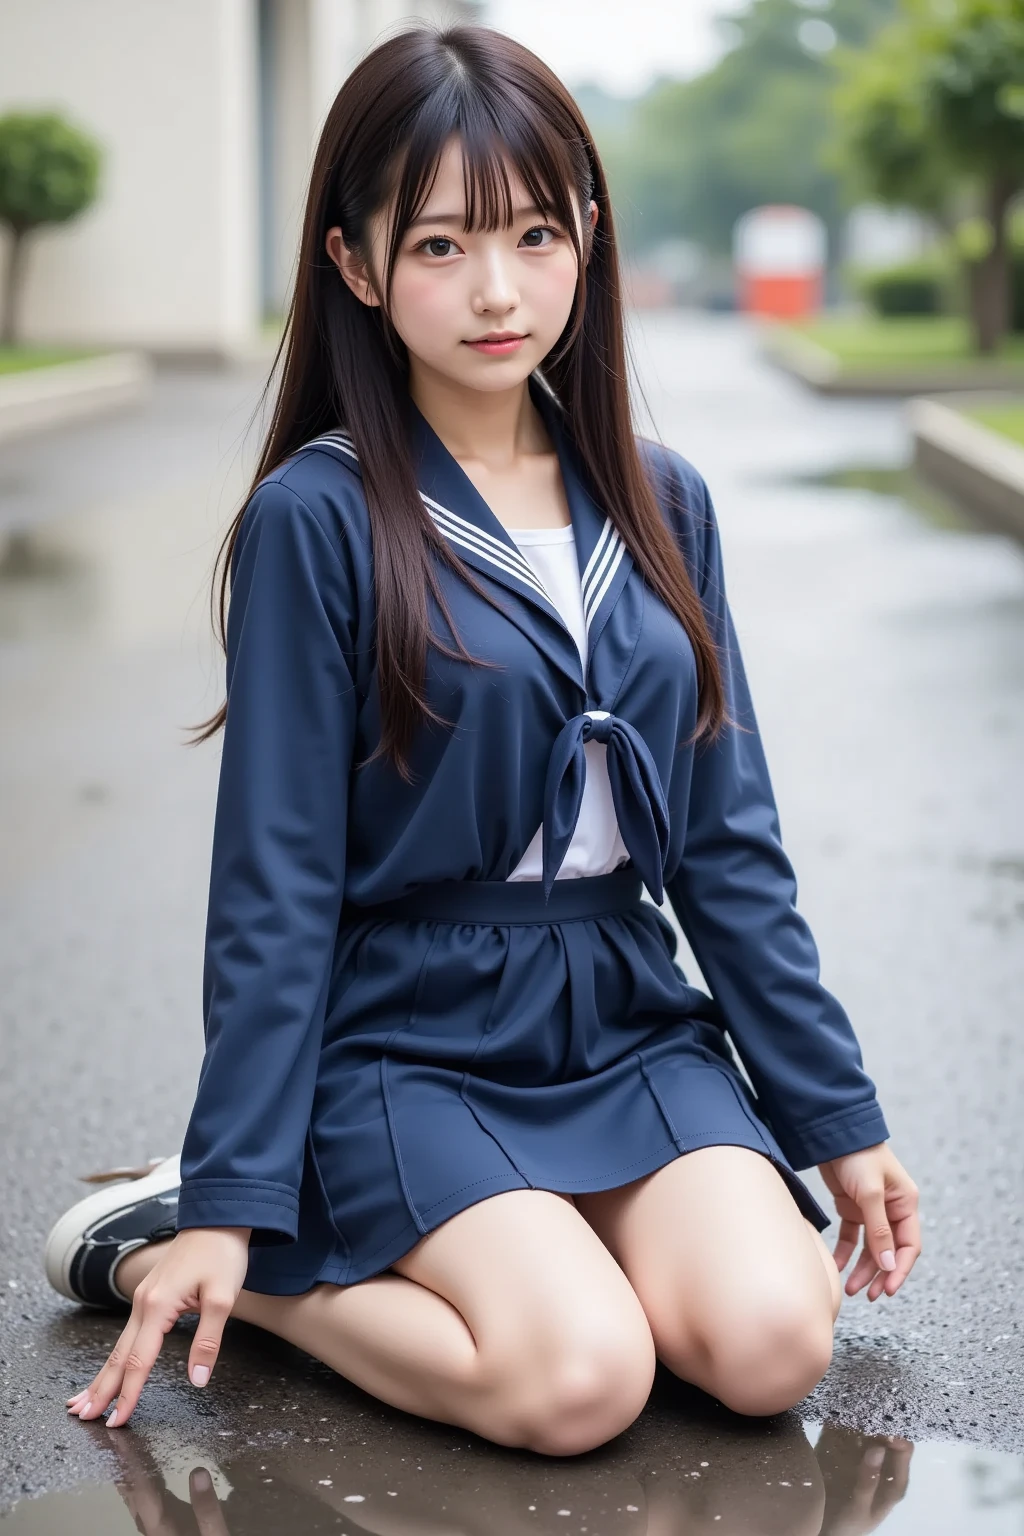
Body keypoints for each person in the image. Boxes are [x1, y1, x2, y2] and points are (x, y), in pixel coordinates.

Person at [45, 21, 920, 1458]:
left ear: (589, 233)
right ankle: (225, 1264)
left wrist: (840, 1115)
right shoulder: (318, 521)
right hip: (408, 1037)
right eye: (440, 245)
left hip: (621, 1014)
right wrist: (229, 1194)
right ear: (355, 264)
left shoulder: (660, 499)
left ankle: (541, 1239)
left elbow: (726, 847)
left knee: (773, 1346)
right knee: (579, 1385)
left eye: (531, 232)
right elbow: (275, 889)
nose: (498, 290)